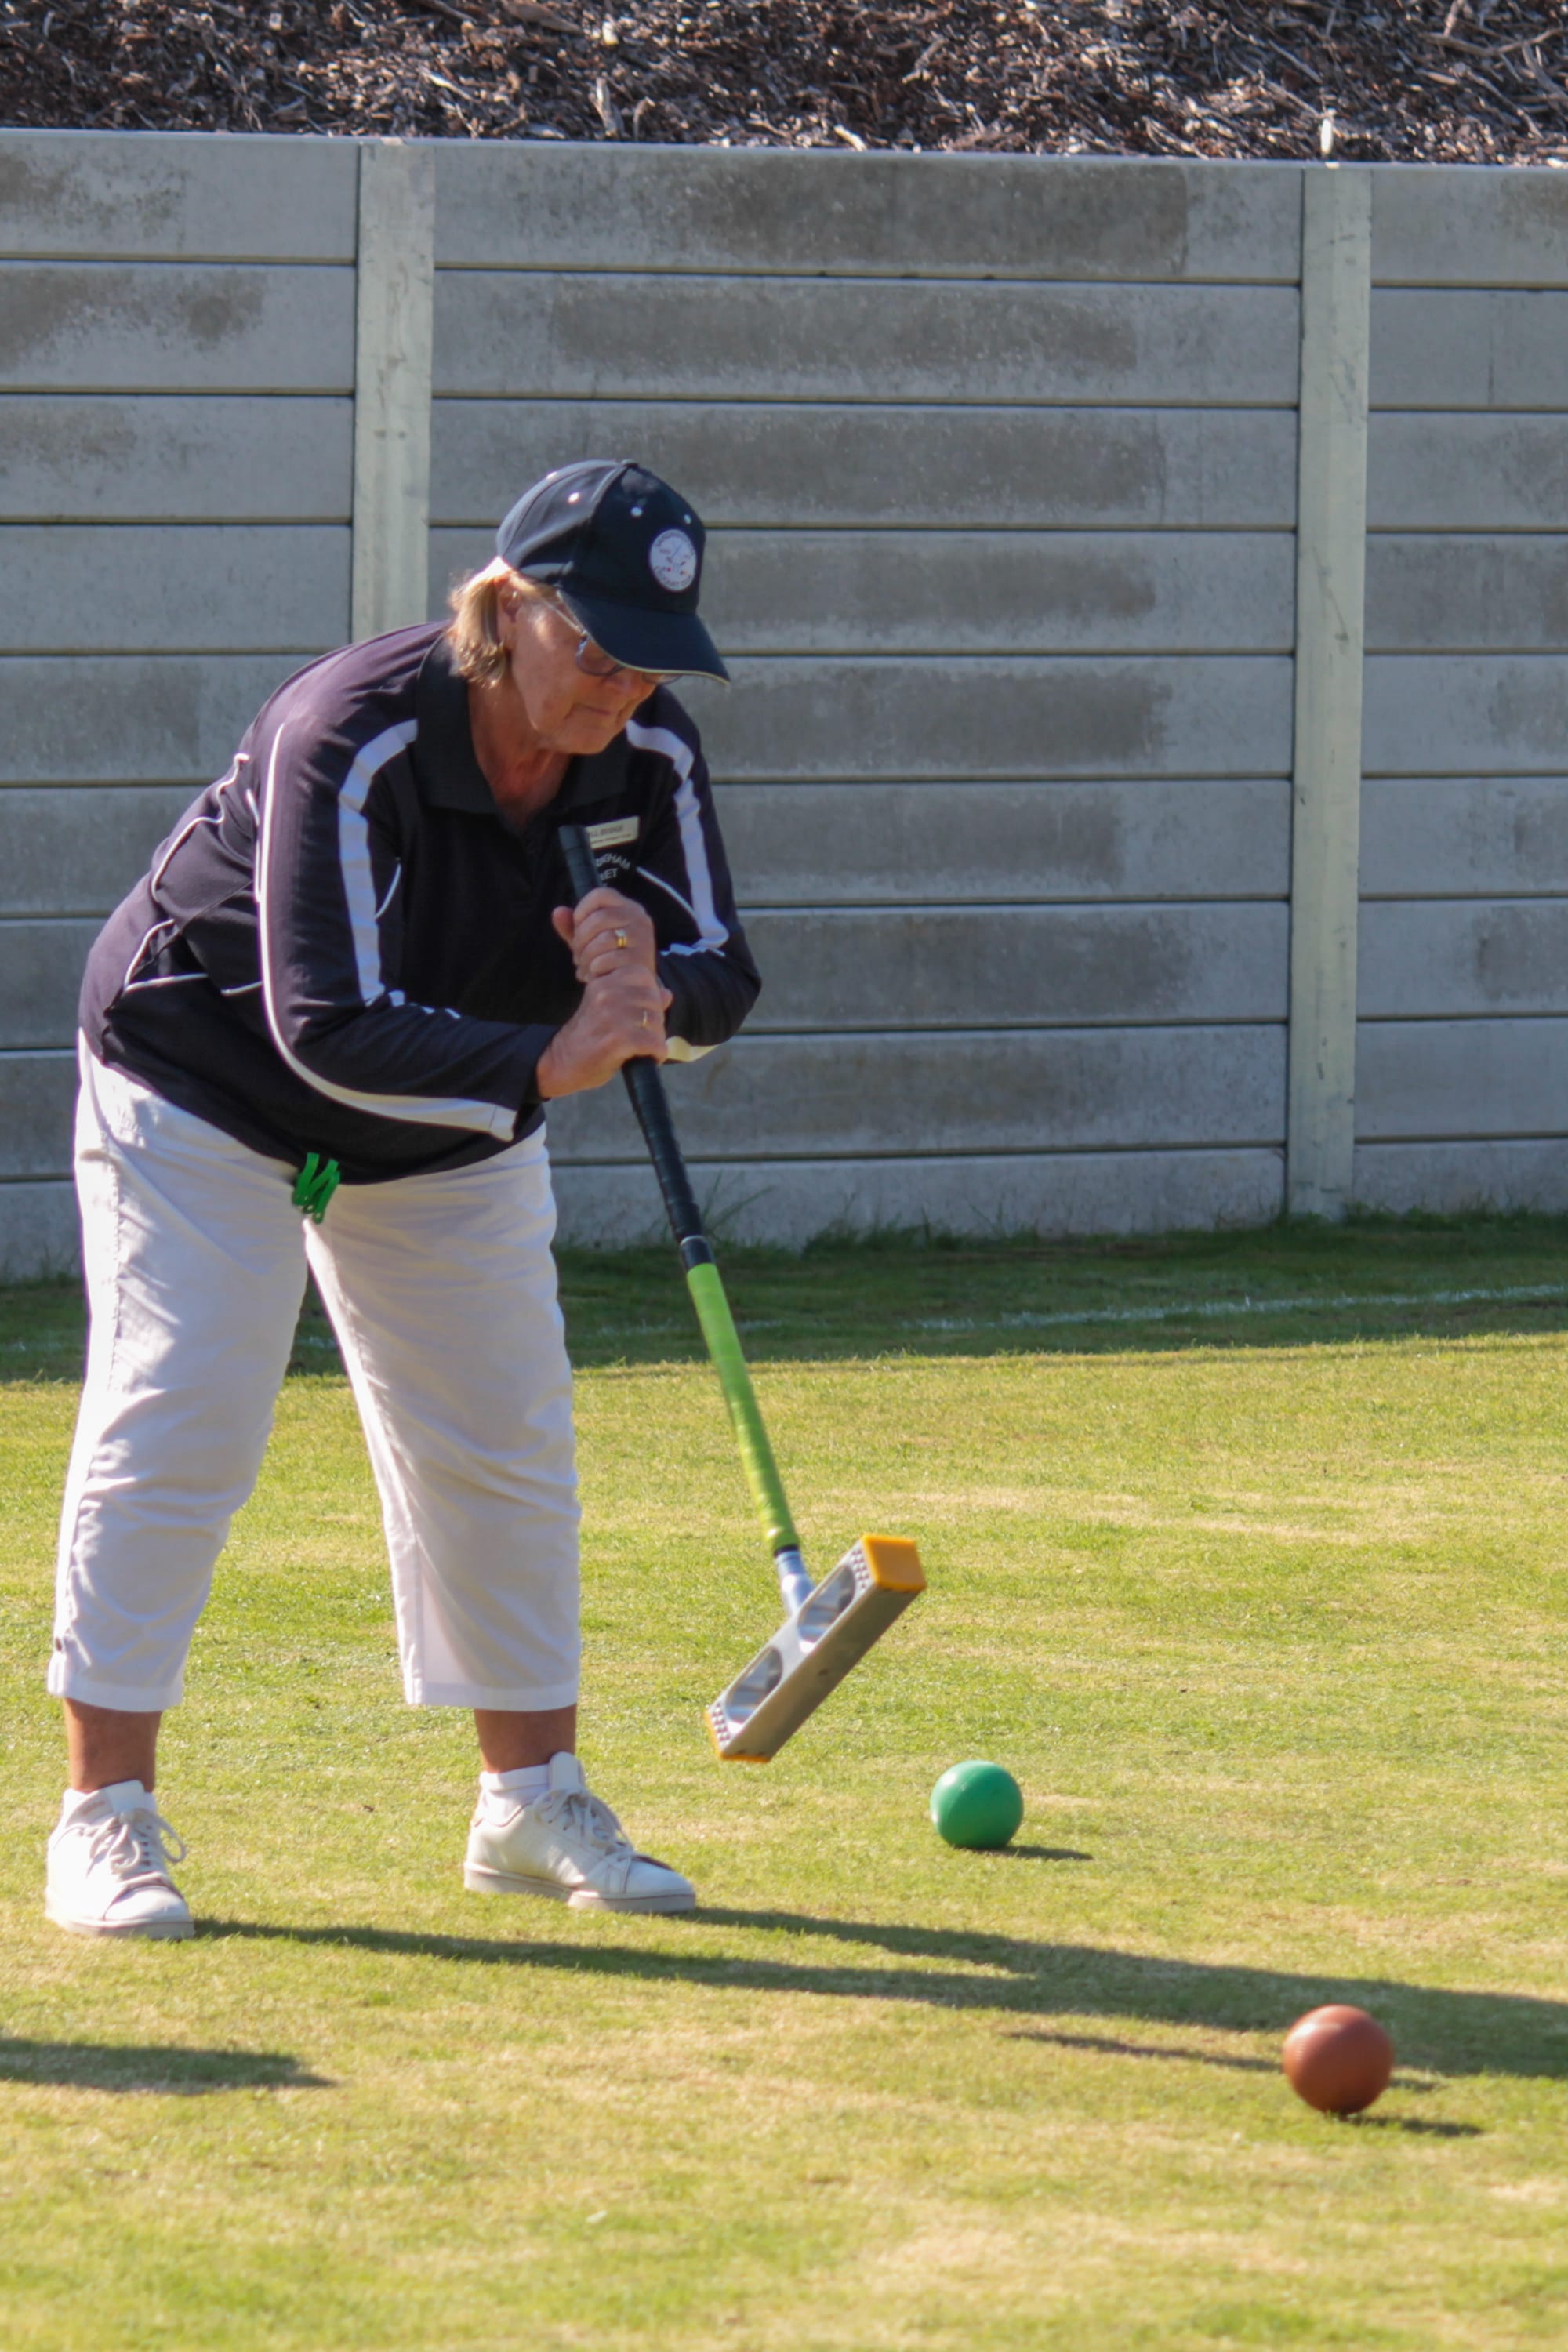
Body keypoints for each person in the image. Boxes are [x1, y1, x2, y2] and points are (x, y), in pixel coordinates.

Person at [45, 459, 760, 1940]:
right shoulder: (350, 734)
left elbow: (722, 974)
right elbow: (324, 1022)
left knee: (501, 1435)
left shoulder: (650, 752)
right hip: (206, 1079)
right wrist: (558, 1058)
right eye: (596, 648)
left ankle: (531, 1799)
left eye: (648, 663)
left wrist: (650, 978)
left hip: (455, 1110)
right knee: (185, 1405)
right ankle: (102, 1817)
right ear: (506, 610)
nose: (618, 691)